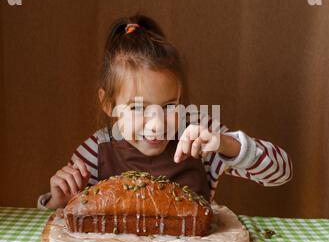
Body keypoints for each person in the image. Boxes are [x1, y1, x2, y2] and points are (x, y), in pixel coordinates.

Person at [37, 14, 293, 210]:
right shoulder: (94, 152)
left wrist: (227, 145)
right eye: (138, 107)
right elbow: (64, 225)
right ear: (109, 104)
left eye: (170, 106)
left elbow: (281, 174)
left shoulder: (201, 139)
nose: (157, 124)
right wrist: (58, 202)